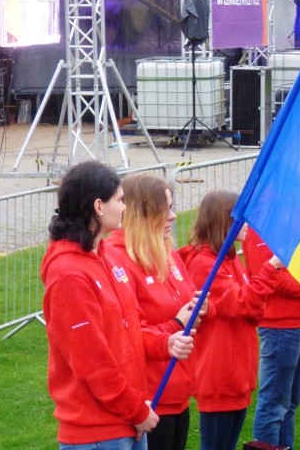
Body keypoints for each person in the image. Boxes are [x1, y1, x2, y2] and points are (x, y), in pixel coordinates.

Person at [41, 161, 193, 449]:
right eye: (120, 200)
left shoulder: (106, 254)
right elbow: (92, 363)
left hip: (128, 420)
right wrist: (136, 410)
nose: (125, 208)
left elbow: (130, 328)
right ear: (99, 206)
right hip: (98, 431)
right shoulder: (69, 273)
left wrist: (166, 342)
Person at [103, 174, 205, 450]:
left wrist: (200, 307)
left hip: (179, 389)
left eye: (172, 207)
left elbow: (185, 298)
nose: (173, 216)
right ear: (142, 213)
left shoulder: (167, 252)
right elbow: (129, 333)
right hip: (150, 396)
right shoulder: (117, 258)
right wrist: (176, 323)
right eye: (165, 209)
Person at [179, 190, 285, 450]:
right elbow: (244, 303)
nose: (248, 225)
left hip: (237, 373)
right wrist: (270, 269)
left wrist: (254, 298)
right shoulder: (205, 265)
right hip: (219, 374)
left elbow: (253, 310)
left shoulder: (227, 260)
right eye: (241, 218)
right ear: (224, 221)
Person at [243, 228, 300, 449]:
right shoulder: (262, 223)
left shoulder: (294, 216)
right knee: (274, 405)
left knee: (290, 402)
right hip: (279, 325)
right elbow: (266, 275)